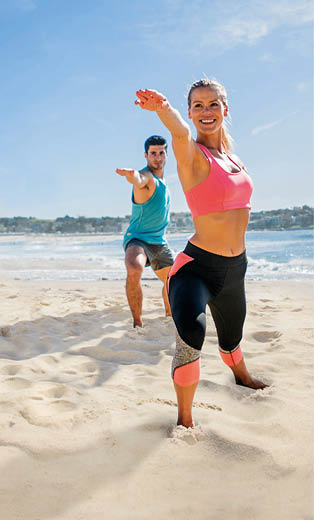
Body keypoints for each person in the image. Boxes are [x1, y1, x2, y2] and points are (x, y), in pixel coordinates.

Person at [135, 80, 268, 428]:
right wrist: (164, 108)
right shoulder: (192, 153)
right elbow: (178, 133)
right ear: (191, 112)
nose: (206, 112)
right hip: (196, 268)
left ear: (225, 109)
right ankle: (185, 420)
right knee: (191, 338)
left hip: (235, 267)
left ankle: (242, 377)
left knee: (232, 337)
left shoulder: (235, 159)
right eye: (198, 106)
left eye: (213, 105)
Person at [116, 135, 174, 328]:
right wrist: (131, 175)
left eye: (161, 153)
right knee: (134, 267)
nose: (157, 157)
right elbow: (139, 180)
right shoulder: (147, 177)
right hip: (138, 240)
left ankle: (170, 316)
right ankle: (137, 323)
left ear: (166, 154)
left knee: (173, 281)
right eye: (153, 153)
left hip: (159, 242)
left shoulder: (164, 182)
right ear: (146, 155)